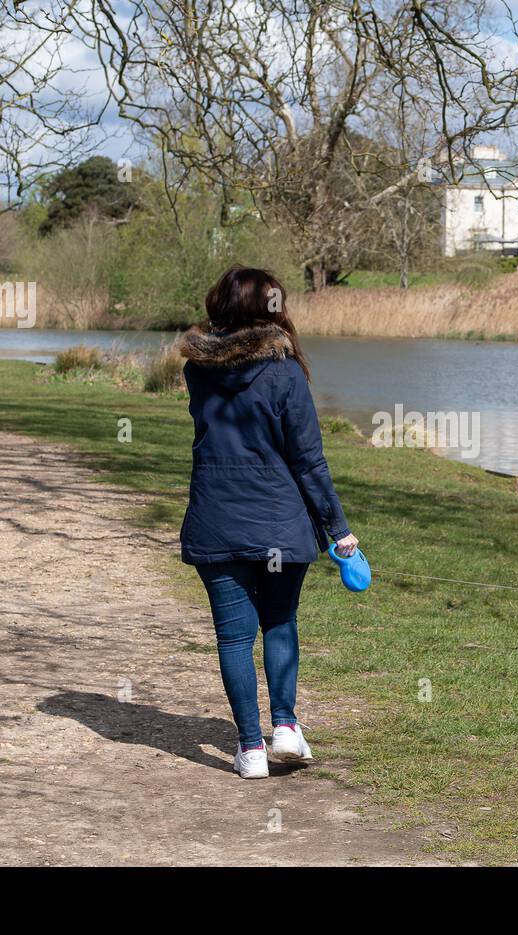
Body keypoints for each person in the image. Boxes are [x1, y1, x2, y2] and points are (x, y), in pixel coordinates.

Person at [178, 265, 358, 779]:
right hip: (280, 522)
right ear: (273, 308)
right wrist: (338, 530)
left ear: (221, 306)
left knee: (234, 637)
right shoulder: (284, 371)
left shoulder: (198, 370)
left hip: (216, 519)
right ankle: (284, 727)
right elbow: (308, 459)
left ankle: (250, 749)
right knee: (279, 621)